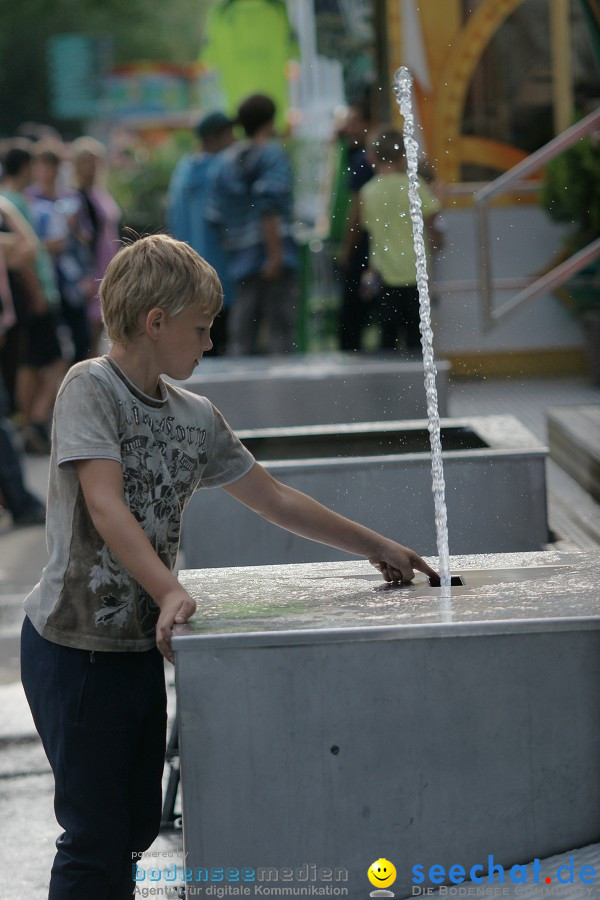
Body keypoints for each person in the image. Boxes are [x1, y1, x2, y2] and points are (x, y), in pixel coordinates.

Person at [20, 233, 437, 899]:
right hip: (73, 648)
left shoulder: (195, 416)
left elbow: (273, 498)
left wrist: (375, 545)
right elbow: (104, 506)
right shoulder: (88, 388)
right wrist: (170, 589)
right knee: (93, 832)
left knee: (133, 825)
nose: (208, 344)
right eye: (201, 329)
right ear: (156, 323)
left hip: (135, 647)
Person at [206, 93, 299, 355]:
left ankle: (239, 389)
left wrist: (234, 245)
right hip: (274, 253)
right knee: (280, 328)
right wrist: (275, 254)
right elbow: (267, 205)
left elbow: (213, 215)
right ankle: (283, 392)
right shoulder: (272, 156)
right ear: (269, 122)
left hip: (239, 257)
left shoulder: (222, 162)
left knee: (243, 327)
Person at [0, 141, 66, 452]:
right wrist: (38, 293)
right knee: (55, 359)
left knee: (27, 360)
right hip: (28, 296)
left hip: (18, 300)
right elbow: (26, 251)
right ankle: (33, 420)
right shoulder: (9, 203)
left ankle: (25, 421)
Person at [358, 126, 441, 352]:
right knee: (417, 332)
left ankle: (390, 383)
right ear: (404, 156)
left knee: (388, 333)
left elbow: (368, 228)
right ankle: (417, 382)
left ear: (372, 157)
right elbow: (432, 218)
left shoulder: (368, 191)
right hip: (416, 271)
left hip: (383, 272)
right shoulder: (415, 186)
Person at [167, 110, 236, 355]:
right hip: (223, 278)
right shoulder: (222, 170)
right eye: (230, 134)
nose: (234, 140)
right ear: (215, 138)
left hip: (188, 280)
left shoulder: (181, 173)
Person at [28, 141, 95, 363]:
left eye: (51, 167)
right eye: (42, 167)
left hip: (71, 279)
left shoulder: (70, 199)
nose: (47, 173)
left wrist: (74, 226)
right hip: (43, 278)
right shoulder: (29, 199)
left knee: (81, 338)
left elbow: (85, 238)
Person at [71, 136, 121, 356]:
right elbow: (80, 237)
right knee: (93, 326)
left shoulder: (100, 193)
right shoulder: (76, 196)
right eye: (85, 161)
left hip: (109, 261)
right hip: (94, 267)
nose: (90, 167)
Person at [334, 103, 375, 352]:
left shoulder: (362, 161)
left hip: (364, 248)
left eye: (355, 122)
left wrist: (347, 250)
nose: (349, 129)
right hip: (381, 247)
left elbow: (356, 214)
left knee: (352, 313)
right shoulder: (360, 156)